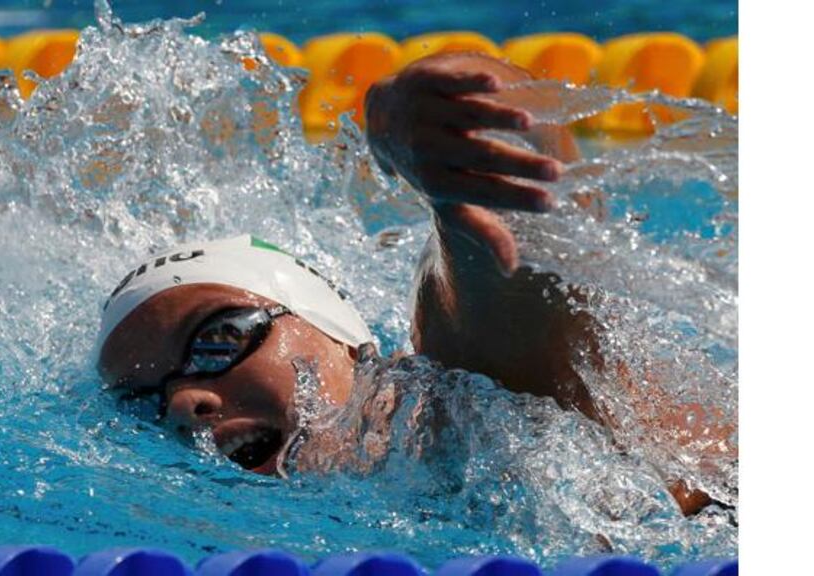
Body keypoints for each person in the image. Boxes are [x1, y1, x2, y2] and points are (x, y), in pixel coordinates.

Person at [95, 52, 728, 515]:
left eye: (217, 340)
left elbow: (516, 246)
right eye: (139, 397)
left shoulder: (452, 409)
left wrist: (440, 122)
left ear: (341, 337)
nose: (180, 407)